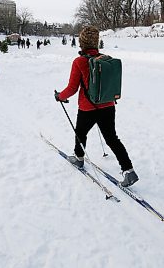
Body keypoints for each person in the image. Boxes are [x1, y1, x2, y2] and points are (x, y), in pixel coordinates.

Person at [54, 26, 138, 187]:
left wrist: (59, 97)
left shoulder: (79, 61)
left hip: (87, 108)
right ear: (96, 41)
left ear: (82, 43)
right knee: (112, 139)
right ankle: (129, 171)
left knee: (81, 134)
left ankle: (79, 159)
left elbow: (72, 88)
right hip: (108, 105)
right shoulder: (105, 59)